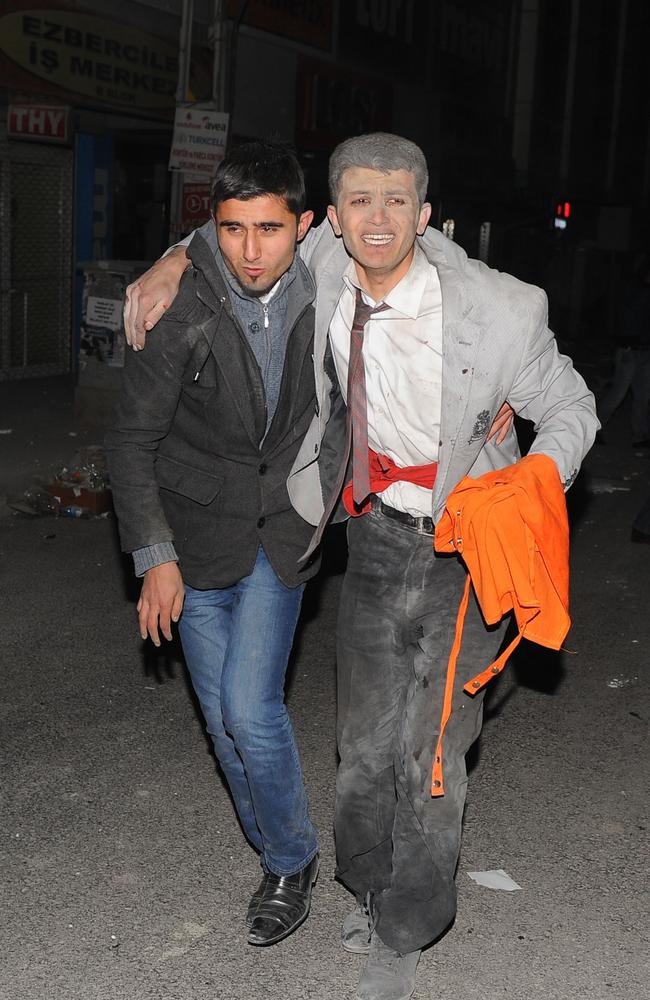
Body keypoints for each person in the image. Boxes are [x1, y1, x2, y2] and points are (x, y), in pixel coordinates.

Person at [123, 133, 598, 1000]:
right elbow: (233, 230)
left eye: (396, 200)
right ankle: (368, 883)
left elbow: (571, 405)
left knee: (434, 747)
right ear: (333, 220)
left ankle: (409, 925)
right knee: (363, 747)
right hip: (372, 538)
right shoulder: (325, 269)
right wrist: (162, 267)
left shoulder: (501, 310)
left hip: (464, 539)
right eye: (359, 201)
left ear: (425, 213)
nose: (376, 217)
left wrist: (530, 477)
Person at [105, 140, 322, 949]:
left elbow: (406, 243)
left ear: (302, 225)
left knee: (249, 708)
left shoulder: (327, 288)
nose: (251, 250)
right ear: (213, 227)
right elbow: (129, 443)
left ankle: (292, 860)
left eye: (269, 227)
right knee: (221, 722)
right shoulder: (180, 310)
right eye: (232, 230)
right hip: (195, 537)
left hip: (283, 528)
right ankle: (276, 850)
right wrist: (153, 556)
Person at [597, 258, 650, 447]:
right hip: (630, 351)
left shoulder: (640, 291)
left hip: (643, 351)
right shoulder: (634, 291)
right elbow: (627, 318)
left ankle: (640, 435)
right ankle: (594, 429)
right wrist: (627, 343)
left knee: (642, 395)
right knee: (617, 394)